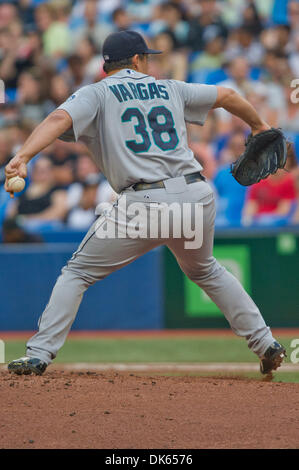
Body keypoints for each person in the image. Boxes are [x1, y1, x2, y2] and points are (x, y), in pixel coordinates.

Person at [5, 30, 286, 376]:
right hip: (195, 196)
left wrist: (23, 156)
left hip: (145, 203)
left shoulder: (96, 93)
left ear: (107, 65)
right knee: (206, 269)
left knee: (77, 273)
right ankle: (266, 343)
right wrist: (259, 125)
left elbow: (58, 120)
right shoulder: (170, 87)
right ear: (138, 60)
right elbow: (228, 95)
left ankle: (39, 354)